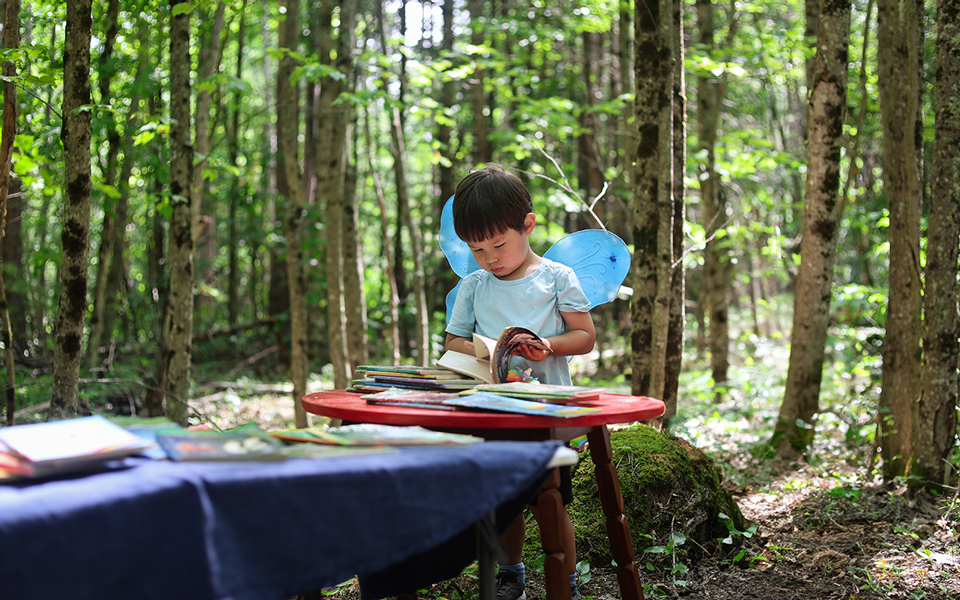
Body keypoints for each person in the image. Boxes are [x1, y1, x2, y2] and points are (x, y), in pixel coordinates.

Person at [444, 164, 596, 600]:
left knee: (551, 501)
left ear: (527, 225)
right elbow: (454, 340)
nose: (490, 258)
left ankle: (564, 582)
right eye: (477, 249)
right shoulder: (474, 286)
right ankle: (511, 575)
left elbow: (584, 336)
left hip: (547, 413)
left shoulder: (556, 278)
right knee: (503, 502)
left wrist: (547, 345)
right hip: (492, 410)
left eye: (498, 244)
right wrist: (486, 351)